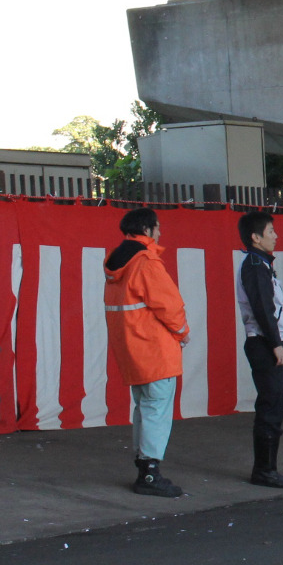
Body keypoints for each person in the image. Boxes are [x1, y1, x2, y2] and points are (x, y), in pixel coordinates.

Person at [103, 207, 190, 498]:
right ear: (148, 229)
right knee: (155, 411)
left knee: (144, 409)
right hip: (155, 351)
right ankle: (150, 475)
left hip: (132, 351)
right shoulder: (147, 263)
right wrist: (182, 332)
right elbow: (170, 305)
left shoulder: (116, 265)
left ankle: (145, 467)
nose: (161, 232)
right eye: (158, 227)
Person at [237, 210, 283, 489]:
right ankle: (264, 470)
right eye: (270, 231)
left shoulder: (260, 263)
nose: (276, 236)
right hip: (265, 343)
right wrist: (276, 344)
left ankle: (267, 468)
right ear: (255, 237)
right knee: (271, 406)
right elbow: (263, 307)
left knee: (273, 405)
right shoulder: (254, 264)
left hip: (268, 342)